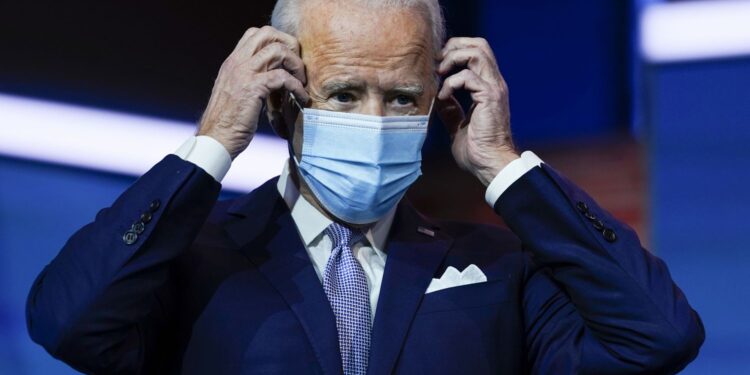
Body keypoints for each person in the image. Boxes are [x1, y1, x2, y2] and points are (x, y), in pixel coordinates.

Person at [26, 0, 704, 373]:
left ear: (440, 102)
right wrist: (211, 142)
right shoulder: (192, 260)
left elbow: (659, 336)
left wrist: (504, 165)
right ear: (283, 100)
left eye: (403, 97)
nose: (376, 121)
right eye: (345, 93)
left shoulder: (500, 267)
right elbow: (67, 320)